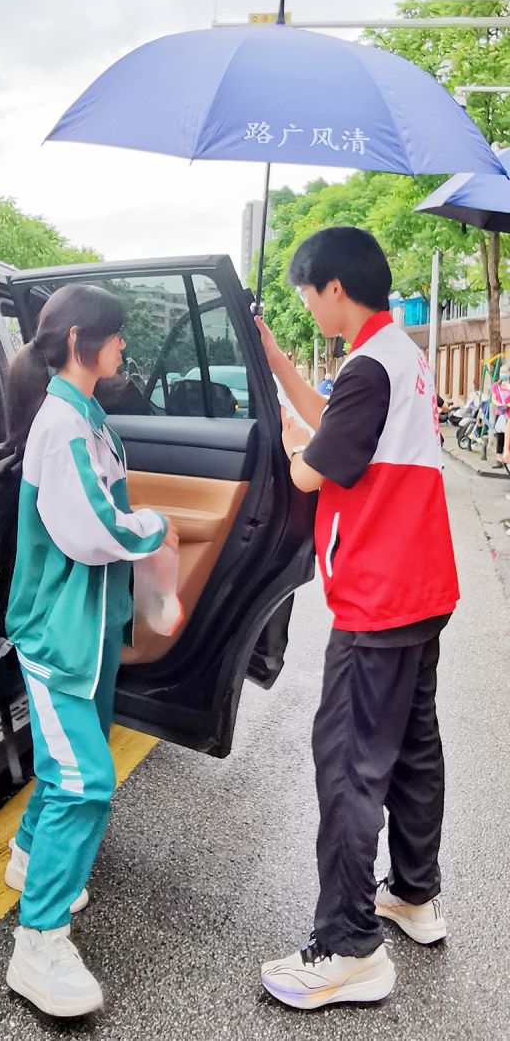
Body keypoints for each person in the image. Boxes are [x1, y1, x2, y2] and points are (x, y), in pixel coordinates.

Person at [255, 227, 459, 1012]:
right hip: (421, 588)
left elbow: (315, 469)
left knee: (347, 764)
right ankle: (413, 893)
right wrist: (280, 367)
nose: (307, 303)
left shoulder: (370, 366)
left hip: (377, 593)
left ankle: (348, 947)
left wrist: (286, 445)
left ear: (333, 288)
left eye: (307, 291)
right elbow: (340, 422)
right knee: (412, 748)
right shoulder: (398, 357)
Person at [2, 284, 177, 1017]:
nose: (124, 346)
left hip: (89, 626)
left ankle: (27, 857)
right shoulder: (64, 426)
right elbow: (93, 528)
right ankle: (38, 943)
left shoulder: (86, 416)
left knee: (66, 759)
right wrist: (157, 527)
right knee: (84, 779)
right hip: (59, 631)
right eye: (117, 335)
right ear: (81, 341)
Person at [491, 364, 510, 469]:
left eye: (505, 372)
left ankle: (507, 457)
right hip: (500, 413)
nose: (503, 374)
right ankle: (499, 459)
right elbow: (493, 399)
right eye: (501, 372)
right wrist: (500, 405)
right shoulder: (496, 386)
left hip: (509, 414)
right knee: (500, 437)